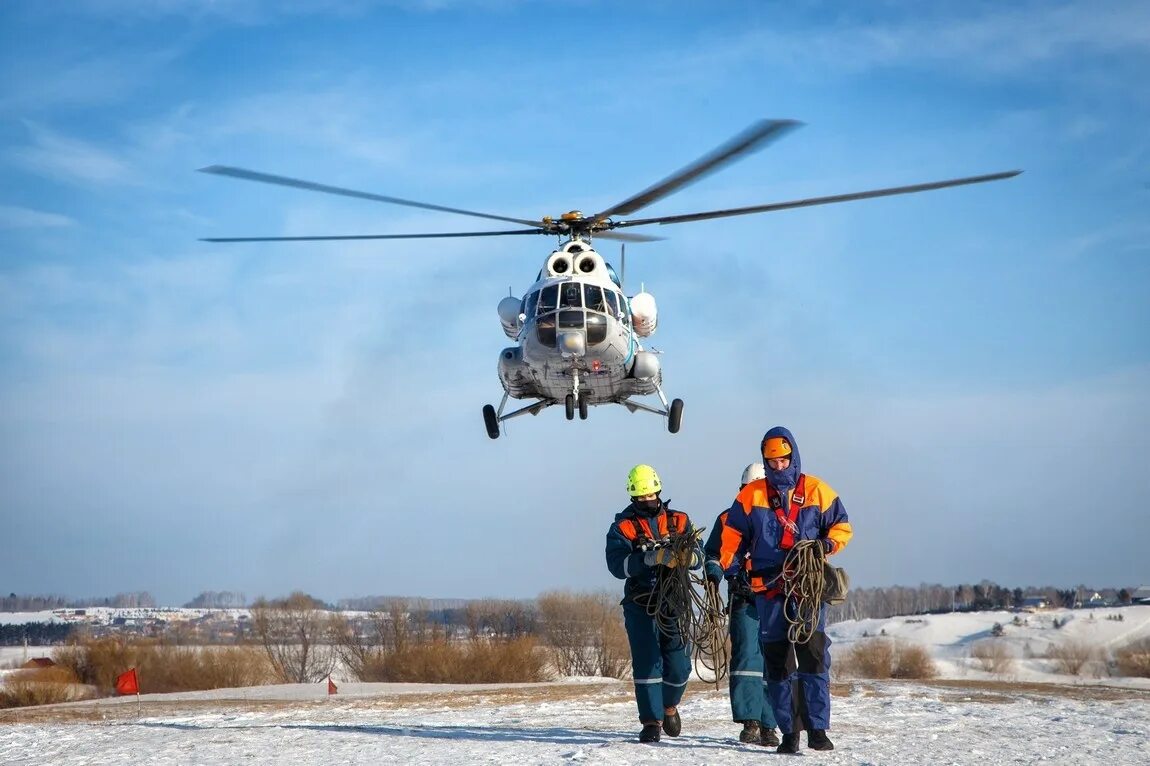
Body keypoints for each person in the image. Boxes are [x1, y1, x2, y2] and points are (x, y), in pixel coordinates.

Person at [719, 427, 852, 754]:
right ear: (766, 460)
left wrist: (826, 544)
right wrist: (733, 570)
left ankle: (818, 729)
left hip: (807, 587)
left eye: (783, 460)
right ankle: (789, 732)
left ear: (793, 456)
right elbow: (730, 539)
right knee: (777, 664)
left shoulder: (818, 491)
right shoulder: (750, 497)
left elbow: (842, 526)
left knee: (814, 657)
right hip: (768, 589)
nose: (778, 466)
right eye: (772, 461)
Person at [605, 463, 703, 743]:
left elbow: (699, 554)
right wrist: (649, 558)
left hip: (674, 600)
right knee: (648, 664)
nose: (648, 501)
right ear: (632, 497)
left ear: (659, 491)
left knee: (680, 665)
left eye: (652, 496)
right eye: (642, 498)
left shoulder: (680, 520)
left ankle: (669, 705)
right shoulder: (621, 528)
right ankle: (651, 721)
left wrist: (687, 558)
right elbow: (616, 565)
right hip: (640, 602)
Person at [703, 462, 781, 747]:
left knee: (773, 660)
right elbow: (712, 553)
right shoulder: (726, 519)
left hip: (775, 599)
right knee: (747, 658)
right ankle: (751, 721)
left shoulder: (781, 519)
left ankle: (770, 724)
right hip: (743, 597)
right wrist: (713, 572)